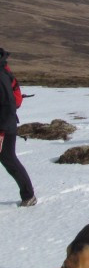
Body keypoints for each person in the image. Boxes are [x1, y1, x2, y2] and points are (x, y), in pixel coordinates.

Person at [0, 48, 36, 207]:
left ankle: (29, 195)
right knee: (8, 159)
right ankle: (28, 195)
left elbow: (8, 104)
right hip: (5, 125)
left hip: (4, 126)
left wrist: (2, 129)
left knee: (9, 159)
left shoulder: (1, 76)